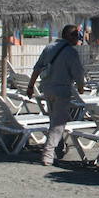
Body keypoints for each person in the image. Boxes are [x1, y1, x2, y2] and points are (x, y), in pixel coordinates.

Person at [26, 25, 85, 166]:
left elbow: (37, 68)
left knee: (54, 120)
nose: (78, 38)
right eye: (77, 35)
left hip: (47, 89)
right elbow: (78, 73)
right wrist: (81, 88)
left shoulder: (49, 48)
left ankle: (58, 148)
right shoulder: (71, 52)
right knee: (58, 124)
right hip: (62, 91)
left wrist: (30, 86)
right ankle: (48, 154)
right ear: (70, 36)